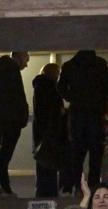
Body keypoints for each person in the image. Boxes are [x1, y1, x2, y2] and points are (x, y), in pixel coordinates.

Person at [58, 50, 108, 187]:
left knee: (77, 154)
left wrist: (74, 97)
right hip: (95, 113)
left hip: (77, 114)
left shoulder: (69, 65)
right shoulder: (100, 64)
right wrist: (99, 100)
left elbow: (60, 88)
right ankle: (94, 187)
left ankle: (78, 187)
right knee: (96, 154)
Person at [0, 51, 30, 198]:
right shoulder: (12, 72)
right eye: (26, 59)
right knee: (5, 153)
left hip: (4, 120)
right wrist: (21, 117)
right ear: (19, 57)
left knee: (4, 153)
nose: (26, 64)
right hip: (12, 120)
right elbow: (16, 98)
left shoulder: (2, 73)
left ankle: (4, 187)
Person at [32, 62, 66, 198]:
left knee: (42, 165)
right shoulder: (52, 89)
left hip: (40, 133)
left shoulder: (39, 88)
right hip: (51, 134)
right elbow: (57, 112)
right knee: (51, 165)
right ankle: (50, 194)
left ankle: (42, 193)